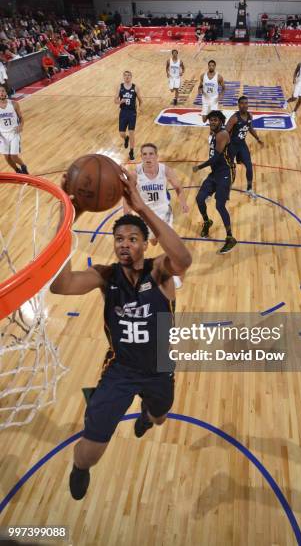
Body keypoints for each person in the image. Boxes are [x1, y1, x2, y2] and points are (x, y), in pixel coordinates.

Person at [50, 172, 192, 500]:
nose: (124, 243)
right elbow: (61, 284)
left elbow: (183, 259)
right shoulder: (105, 275)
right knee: (90, 448)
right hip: (120, 370)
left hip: (159, 367)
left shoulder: (159, 271)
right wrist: (67, 217)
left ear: (144, 244)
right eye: (119, 239)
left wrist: (142, 208)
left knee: (159, 418)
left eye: (132, 238)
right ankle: (80, 468)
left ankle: (146, 414)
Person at [123, 143, 189, 287]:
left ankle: (174, 276)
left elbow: (178, 187)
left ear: (156, 156)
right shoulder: (135, 174)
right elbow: (127, 195)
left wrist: (183, 202)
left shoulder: (165, 170)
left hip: (163, 213)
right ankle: (135, 276)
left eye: (151, 154)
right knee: (148, 243)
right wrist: (126, 215)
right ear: (141, 157)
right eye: (144, 154)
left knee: (169, 245)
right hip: (144, 214)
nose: (148, 157)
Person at [192, 110, 236, 255]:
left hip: (225, 174)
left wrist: (199, 167)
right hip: (215, 173)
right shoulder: (214, 133)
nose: (212, 122)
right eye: (210, 120)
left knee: (219, 205)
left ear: (221, 121)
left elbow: (216, 158)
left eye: (215, 120)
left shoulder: (222, 134)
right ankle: (207, 222)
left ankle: (230, 238)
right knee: (199, 199)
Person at [225, 96, 264, 199]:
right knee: (227, 168)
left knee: (249, 166)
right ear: (238, 105)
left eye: (246, 103)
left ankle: (249, 189)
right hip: (232, 145)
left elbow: (250, 128)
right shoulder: (234, 118)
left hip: (242, 145)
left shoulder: (250, 116)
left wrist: (257, 138)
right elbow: (225, 132)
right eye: (242, 103)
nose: (244, 105)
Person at [114, 70, 142, 161]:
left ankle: (131, 151)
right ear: (123, 77)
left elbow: (140, 100)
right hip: (123, 112)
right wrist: (120, 101)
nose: (127, 77)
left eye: (129, 75)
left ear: (131, 77)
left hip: (132, 113)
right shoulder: (120, 87)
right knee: (121, 133)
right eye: (125, 75)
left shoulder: (135, 87)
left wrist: (140, 108)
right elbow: (115, 100)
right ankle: (126, 139)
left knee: (131, 132)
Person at [0, 85, 28, 174]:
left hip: (13, 132)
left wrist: (21, 126)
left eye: (3, 91)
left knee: (13, 156)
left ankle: (23, 166)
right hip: (2, 135)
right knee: (7, 157)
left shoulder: (14, 104)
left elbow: (21, 118)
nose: (1, 93)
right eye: (0, 92)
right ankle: (17, 171)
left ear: (6, 92)